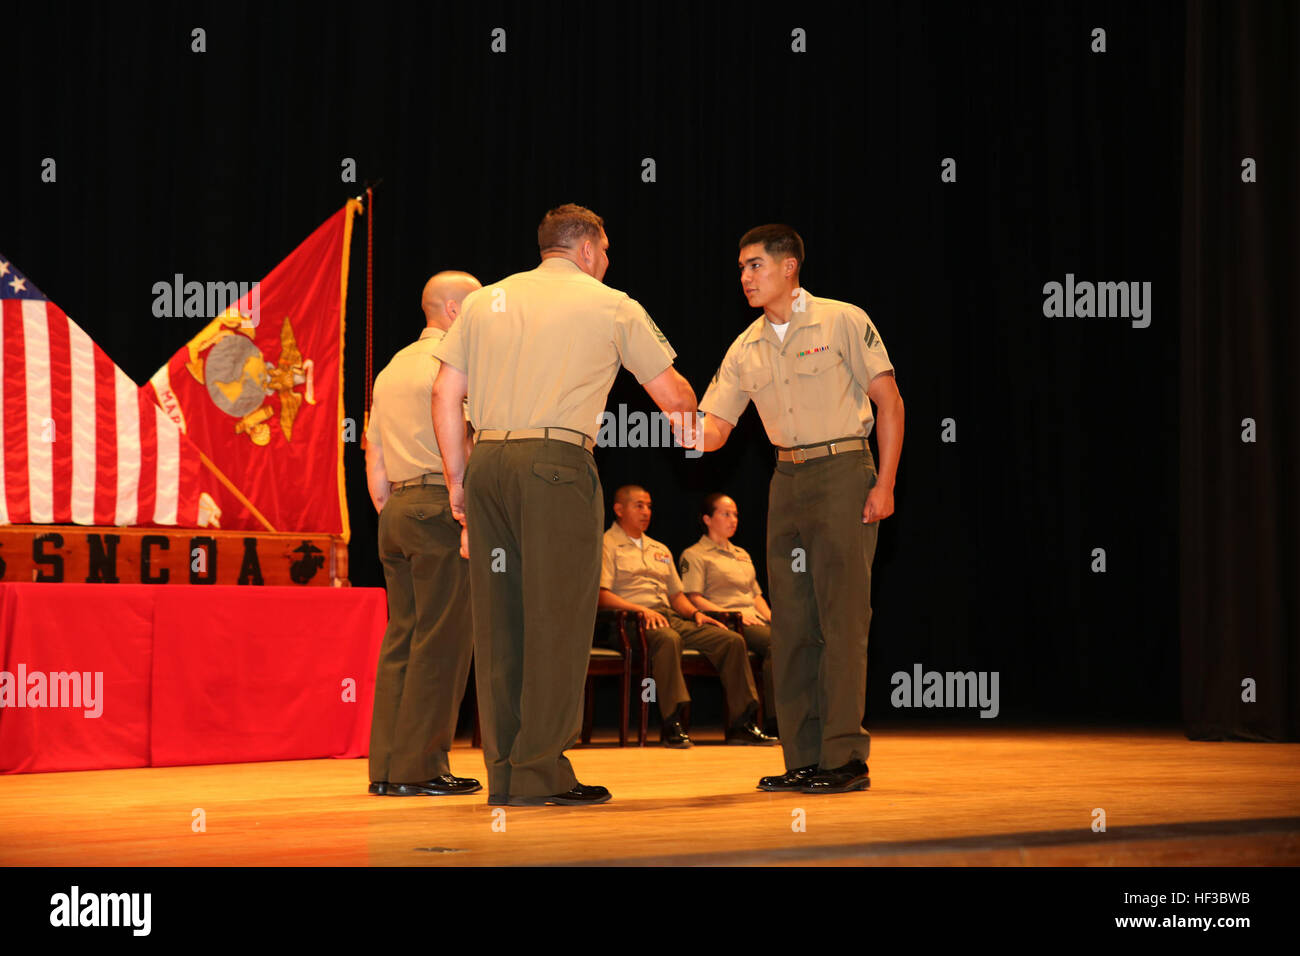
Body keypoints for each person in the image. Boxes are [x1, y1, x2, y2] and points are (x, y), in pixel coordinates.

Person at [431, 204, 699, 806]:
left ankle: (504, 771)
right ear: (586, 249)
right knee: (557, 621)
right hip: (555, 468)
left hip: (489, 467)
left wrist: (458, 483)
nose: (607, 263)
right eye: (605, 252)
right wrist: (698, 431)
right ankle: (539, 772)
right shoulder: (612, 304)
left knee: (500, 625)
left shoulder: (483, 301)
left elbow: (445, 392)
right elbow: (671, 391)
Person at [698, 224, 905, 794]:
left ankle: (844, 758)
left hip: (843, 471)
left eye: (755, 265)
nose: (745, 277)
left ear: (789, 267)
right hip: (785, 479)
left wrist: (884, 484)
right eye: (741, 268)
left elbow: (889, 401)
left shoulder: (842, 319)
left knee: (841, 620)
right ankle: (802, 757)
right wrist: (678, 422)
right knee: (791, 623)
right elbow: (715, 427)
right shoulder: (746, 345)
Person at [364, 270, 483, 797]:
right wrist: (467, 514)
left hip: (397, 509)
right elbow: (472, 440)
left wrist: (391, 507)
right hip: (442, 504)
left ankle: (387, 769)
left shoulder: (390, 368)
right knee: (443, 641)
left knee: (402, 640)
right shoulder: (456, 364)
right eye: (478, 307)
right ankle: (422, 768)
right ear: (455, 311)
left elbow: (374, 451)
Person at [598, 486, 775, 748]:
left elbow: (677, 596)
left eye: (649, 506)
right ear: (619, 509)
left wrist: (697, 614)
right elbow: (601, 595)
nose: (646, 511)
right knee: (668, 640)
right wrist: (641, 611)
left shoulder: (660, 549)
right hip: (629, 621)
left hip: (668, 615)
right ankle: (672, 721)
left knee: (731, 640)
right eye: (639, 505)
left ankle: (742, 723)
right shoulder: (606, 544)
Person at [678, 492, 777, 737]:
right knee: (777, 645)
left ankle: (790, 716)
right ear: (708, 519)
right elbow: (694, 598)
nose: (733, 519)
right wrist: (733, 615)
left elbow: (755, 596)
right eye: (725, 514)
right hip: (725, 621)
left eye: (735, 514)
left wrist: (775, 620)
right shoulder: (695, 554)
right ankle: (774, 720)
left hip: (753, 618)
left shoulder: (741, 554)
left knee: (788, 640)